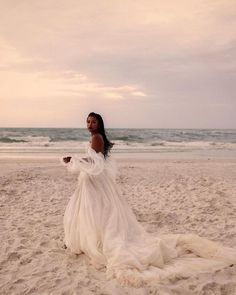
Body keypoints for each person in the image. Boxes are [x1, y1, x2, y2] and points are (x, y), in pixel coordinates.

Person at [62, 112, 236, 287]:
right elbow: (96, 161)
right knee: (92, 211)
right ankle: (91, 240)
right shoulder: (96, 138)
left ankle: (95, 242)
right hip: (93, 182)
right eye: (88, 121)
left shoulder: (97, 138)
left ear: (99, 124)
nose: (90, 124)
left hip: (95, 182)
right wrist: (77, 160)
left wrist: (74, 159)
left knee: (96, 211)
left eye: (93, 122)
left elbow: (95, 162)